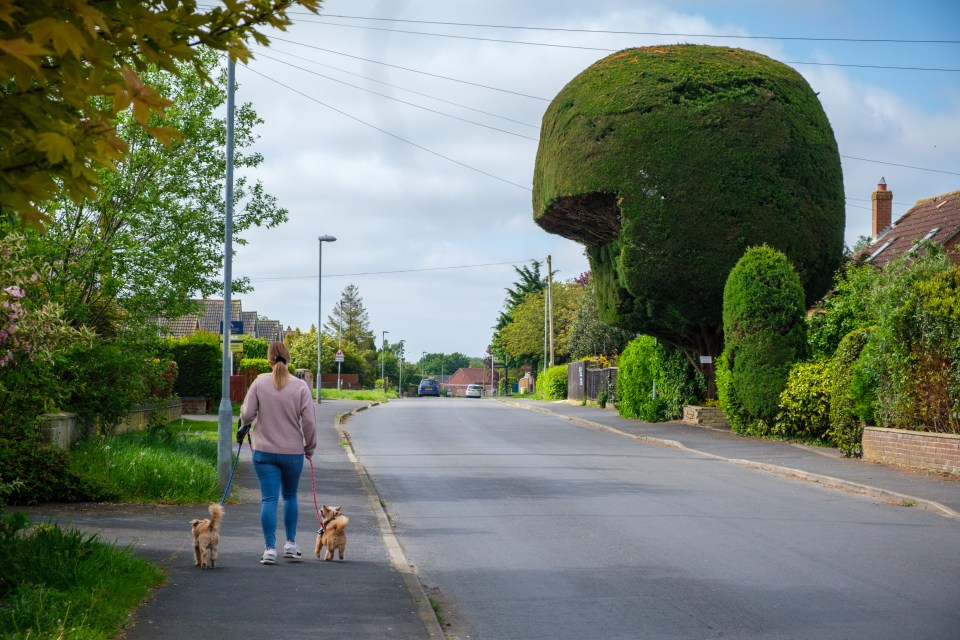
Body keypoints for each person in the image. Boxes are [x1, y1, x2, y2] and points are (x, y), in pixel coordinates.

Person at [240, 341, 317, 565]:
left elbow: (247, 414)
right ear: (289, 359)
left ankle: (269, 549)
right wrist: (309, 447)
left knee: (269, 499)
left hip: (264, 451)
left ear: (269, 359)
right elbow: (309, 422)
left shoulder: (259, 382)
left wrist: (247, 424)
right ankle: (291, 544)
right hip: (292, 453)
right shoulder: (301, 387)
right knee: (290, 496)